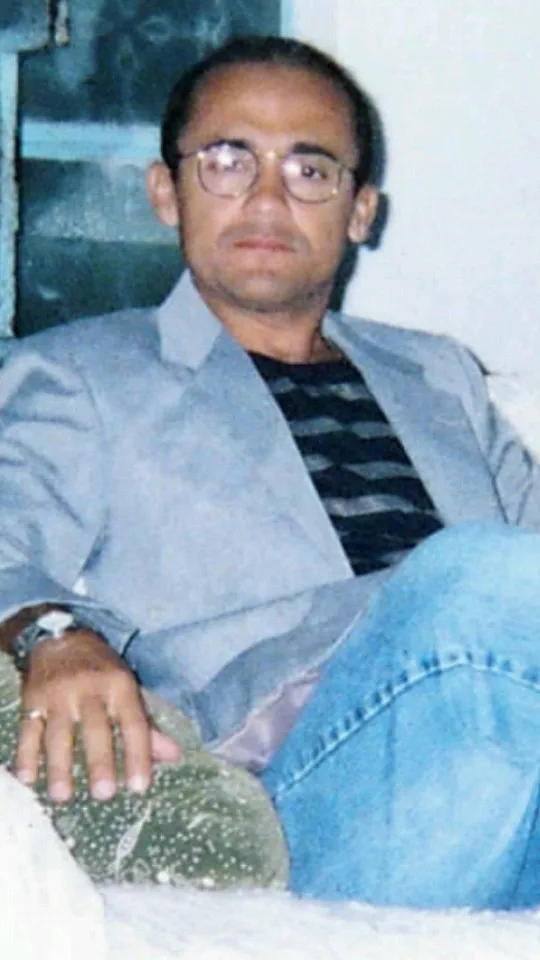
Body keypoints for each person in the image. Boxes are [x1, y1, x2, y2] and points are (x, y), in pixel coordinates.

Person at [1, 34, 540, 908]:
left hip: (500, 752)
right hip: (298, 781)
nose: (265, 198)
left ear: (359, 211)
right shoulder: (77, 374)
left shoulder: (439, 375)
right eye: (227, 161)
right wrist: (50, 631)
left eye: (309, 170)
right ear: (165, 192)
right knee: (479, 575)